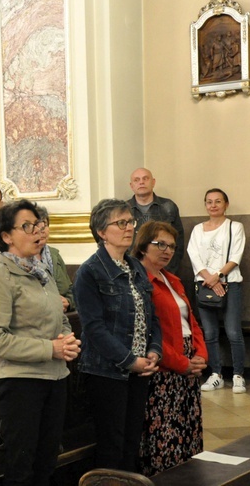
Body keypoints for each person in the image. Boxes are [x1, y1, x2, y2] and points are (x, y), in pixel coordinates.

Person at [0, 200, 80, 486]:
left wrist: (66, 339)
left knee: (47, 462)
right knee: (21, 468)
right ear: (6, 236)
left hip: (55, 377)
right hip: (21, 383)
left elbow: (58, 316)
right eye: (27, 226)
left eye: (37, 225)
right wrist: (51, 349)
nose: (36, 231)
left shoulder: (41, 272)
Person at [73, 198, 162, 472]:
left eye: (130, 222)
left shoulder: (135, 267)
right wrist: (128, 360)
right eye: (120, 223)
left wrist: (153, 351)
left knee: (131, 441)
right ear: (101, 232)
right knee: (112, 443)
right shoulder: (90, 272)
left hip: (139, 368)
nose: (129, 228)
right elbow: (94, 328)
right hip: (106, 372)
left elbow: (151, 317)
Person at [133, 221, 208, 475]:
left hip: (188, 365)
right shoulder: (140, 280)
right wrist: (182, 363)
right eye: (160, 244)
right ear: (143, 246)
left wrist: (200, 355)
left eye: (172, 246)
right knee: (166, 434)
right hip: (165, 368)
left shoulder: (172, 279)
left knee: (188, 430)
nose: (167, 250)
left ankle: (190, 479)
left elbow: (192, 322)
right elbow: (148, 332)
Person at [187, 188, 246, 393]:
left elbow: (235, 256)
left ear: (226, 204)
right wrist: (209, 279)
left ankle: (238, 375)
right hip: (204, 285)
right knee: (210, 332)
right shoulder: (197, 229)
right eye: (209, 202)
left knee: (233, 332)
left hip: (230, 284)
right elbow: (193, 255)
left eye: (218, 201)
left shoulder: (235, 227)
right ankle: (216, 374)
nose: (213, 205)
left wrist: (218, 276)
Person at [127, 168, 185, 274]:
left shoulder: (168, 207)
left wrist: (168, 272)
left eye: (145, 178)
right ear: (131, 186)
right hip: (132, 272)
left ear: (153, 182)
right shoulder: (124, 210)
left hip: (164, 271)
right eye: (137, 180)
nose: (141, 182)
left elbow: (178, 243)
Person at [35, 205, 75, 312]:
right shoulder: (21, 259)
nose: (42, 230)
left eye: (45, 225)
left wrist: (68, 301)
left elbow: (70, 289)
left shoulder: (54, 255)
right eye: (37, 226)